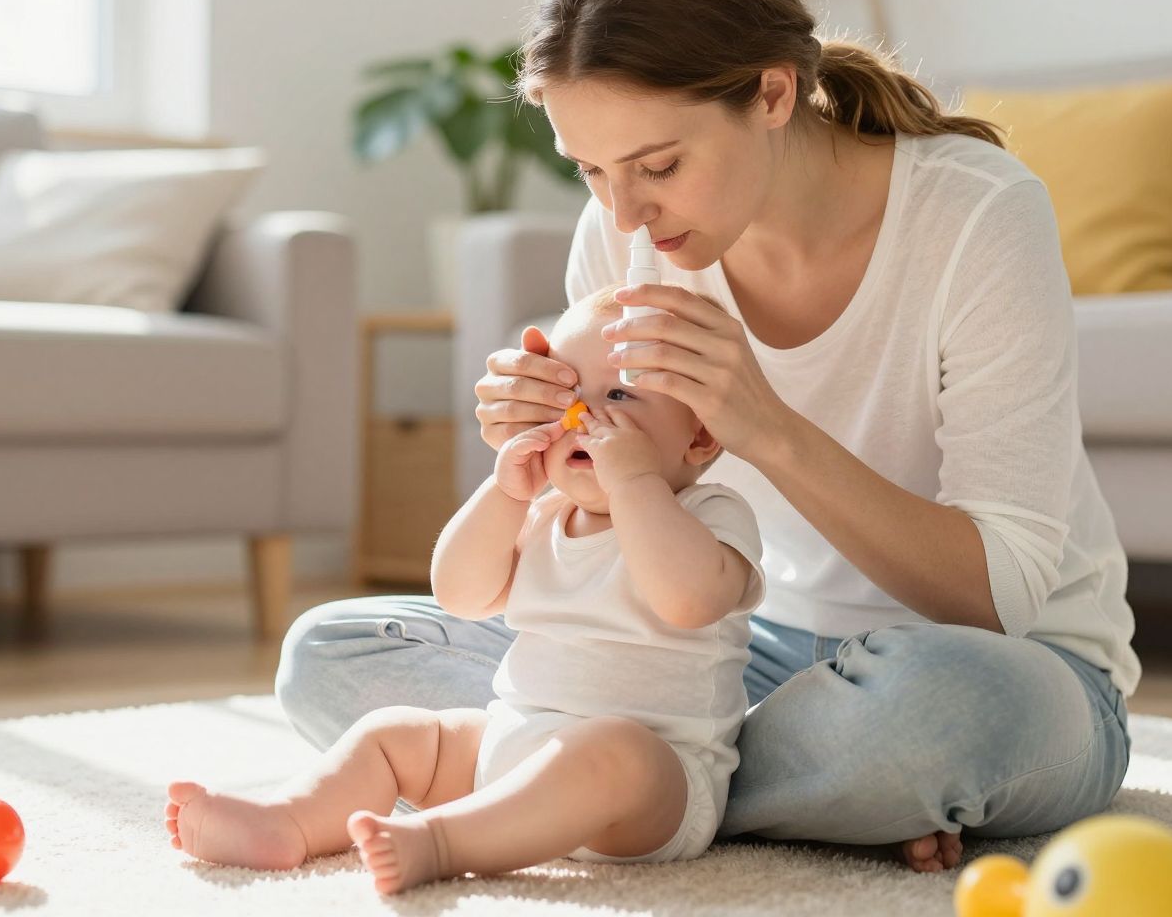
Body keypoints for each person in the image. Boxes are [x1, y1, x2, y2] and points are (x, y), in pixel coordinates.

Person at [277, 0, 1135, 875]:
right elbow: (607, 544)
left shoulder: (979, 216)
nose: (624, 211)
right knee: (331, 652)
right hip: (712, 656)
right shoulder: (622, 237)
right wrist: (546, 458)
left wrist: (765, 425)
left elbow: (1001, 596)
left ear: (772, 93)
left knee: (938, 712)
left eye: (658, 166)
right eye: (591, 171)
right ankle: (722, 791)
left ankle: (631, 790)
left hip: (984, 662)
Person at [165, 288, 765, 893]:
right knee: (395, 734)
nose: (583, 415)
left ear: (700, 437)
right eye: (568, 395)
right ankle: (286, 823)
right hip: (512, 746)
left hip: (653, 787)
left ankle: (444, 842)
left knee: (611, 748)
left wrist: (635, 482)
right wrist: (504, 495)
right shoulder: (545, 511)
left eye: (619, 394)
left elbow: (686, 601)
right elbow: (460, 595)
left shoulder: (711, 513)